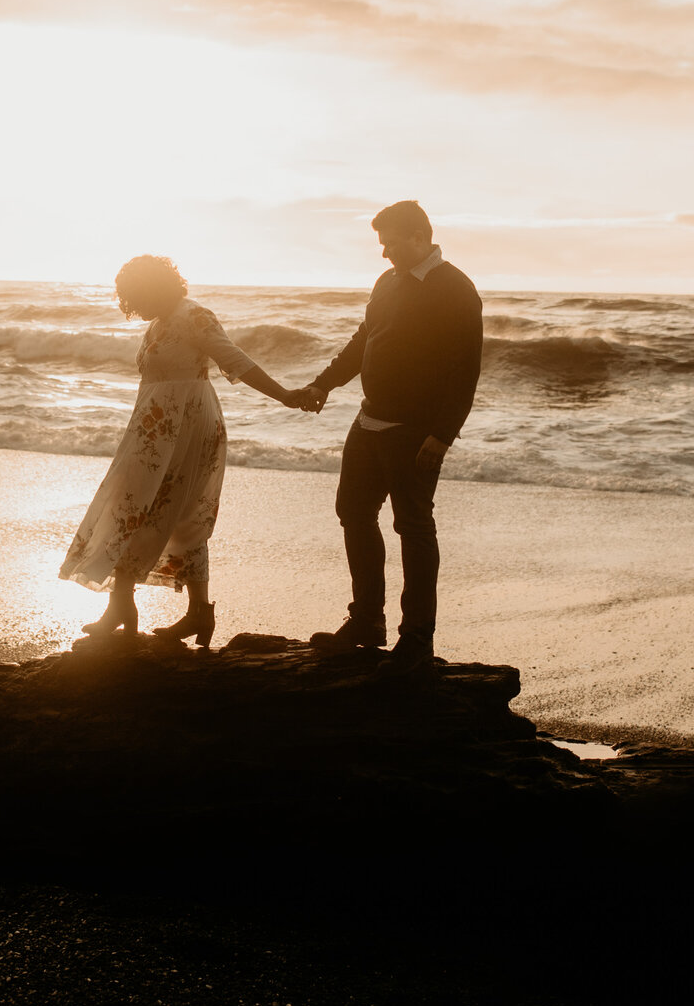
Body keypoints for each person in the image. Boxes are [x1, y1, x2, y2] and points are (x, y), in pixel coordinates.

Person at [60, 254, 311, 648]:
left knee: (170, 512)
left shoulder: (194, 316)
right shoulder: (160, 322)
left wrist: (285, 396)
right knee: (134, 507)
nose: (134, 308)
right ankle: (140, 607)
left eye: (136, 297)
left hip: (188, 428)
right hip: (153, 428)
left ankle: (172, 611)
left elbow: (236, 361)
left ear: (153, 289)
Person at [285, 201, 483, 670]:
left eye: (390, 242)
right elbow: (363, 340)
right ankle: (367, 621)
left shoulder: (456, 289)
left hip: (415, 431)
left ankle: (417, 639)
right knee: (353, 512)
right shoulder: (387, 282)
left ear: (418, 237)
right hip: (369, 419)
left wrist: (442, 435)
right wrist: (323, 383)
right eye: (381, 244)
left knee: (413, 527)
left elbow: (465, 370)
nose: (384, 253)